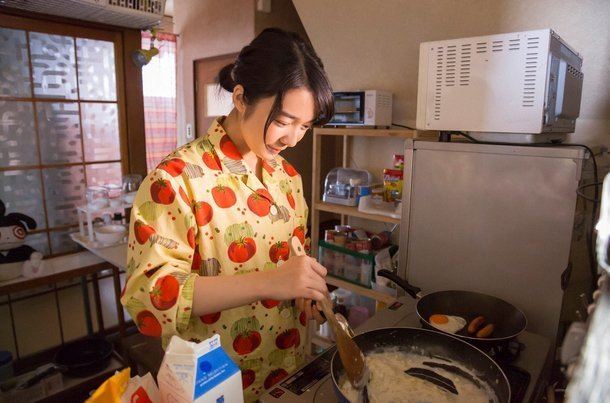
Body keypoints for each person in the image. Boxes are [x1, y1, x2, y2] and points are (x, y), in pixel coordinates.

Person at [121, 28, 334, 401]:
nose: (293, 140)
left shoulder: (288, 178)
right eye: (284, 121)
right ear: (240, 97)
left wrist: (304, 289)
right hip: (216, 383)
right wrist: (272, 281)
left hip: (288, 370)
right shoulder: (176, 180)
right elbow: (148, 298)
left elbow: (292, 260)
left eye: (305, 126)